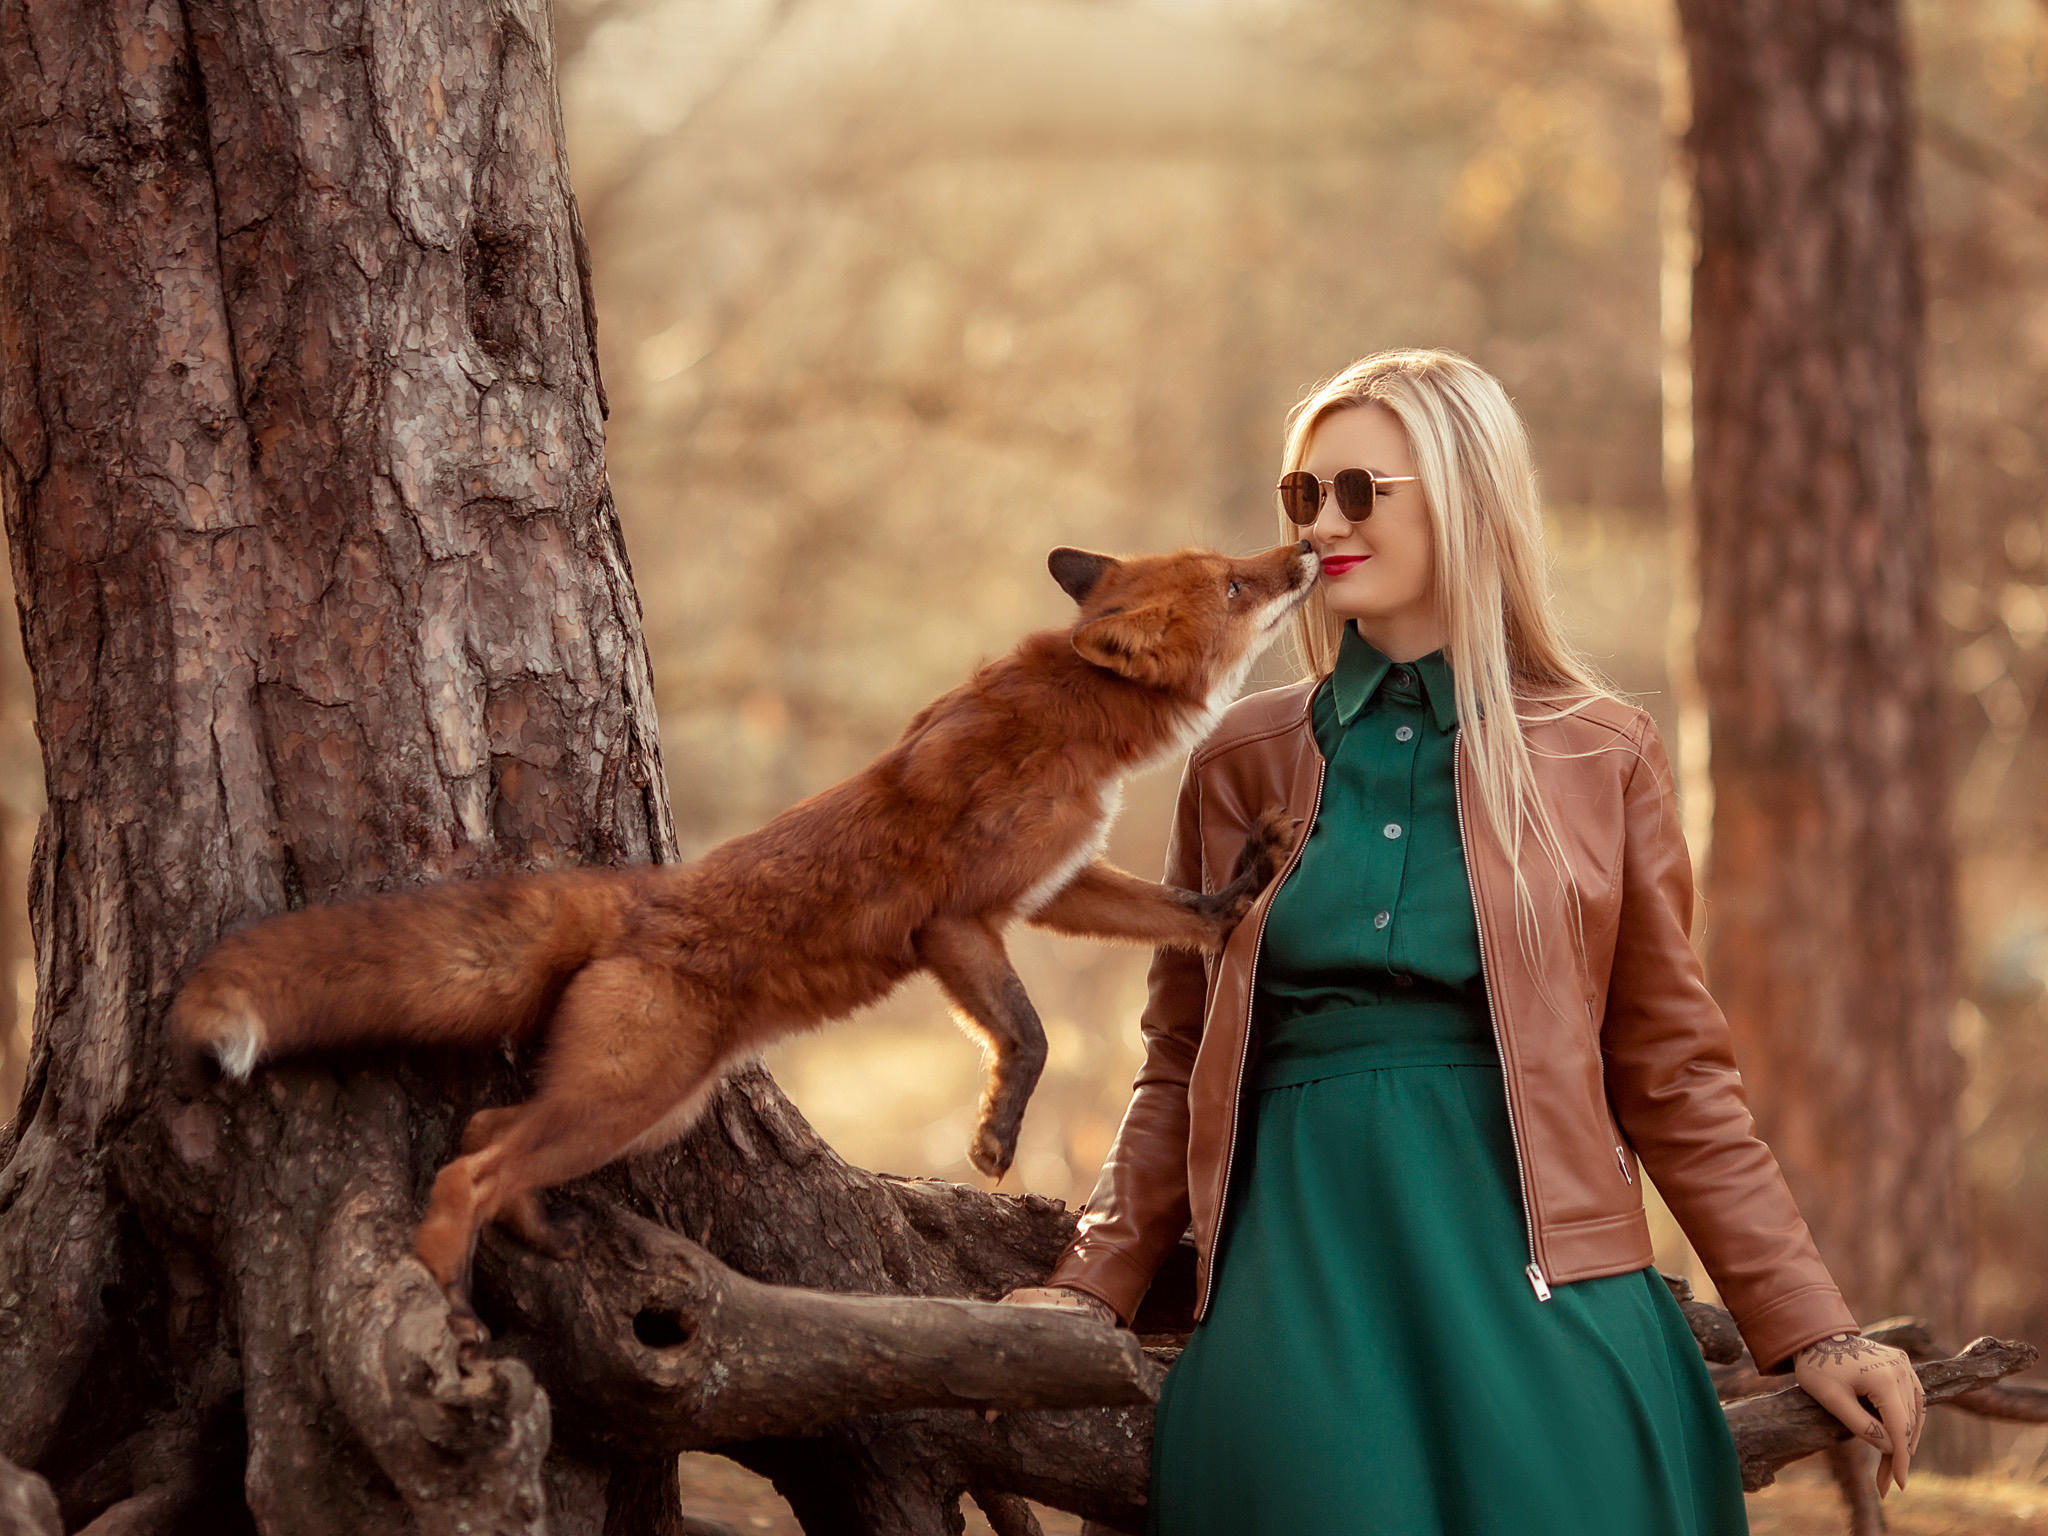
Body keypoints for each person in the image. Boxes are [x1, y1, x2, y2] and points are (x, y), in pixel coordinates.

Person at [1002, 349, 1925, 1533]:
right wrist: (1089, 1289)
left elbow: (1674, 1076)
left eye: (1357, 494)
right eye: (1301, 496)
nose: (1318, 529)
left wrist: (1810, 1324)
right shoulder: (1240, 753)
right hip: (1297, 1288)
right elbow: (1177, 1065)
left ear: (1463, 494)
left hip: (1547, 1296)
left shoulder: (1601, 753)